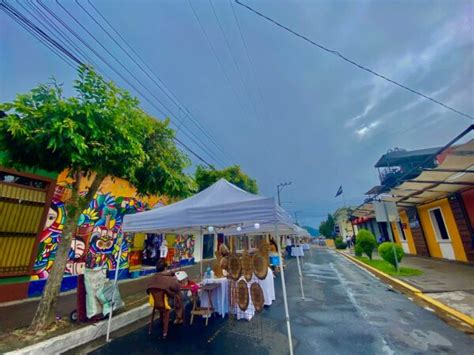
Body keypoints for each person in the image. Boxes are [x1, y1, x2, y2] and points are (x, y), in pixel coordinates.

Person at [147, 260, 184, 329]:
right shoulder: (170, 280)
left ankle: (163, 317)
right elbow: (177, 289)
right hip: (166, 303)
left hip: (155, 302)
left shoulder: (152, 279)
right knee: (180, 295)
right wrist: (175, 280)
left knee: (167, 295)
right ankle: (179, 318)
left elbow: (148, 291)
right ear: (165, 268)